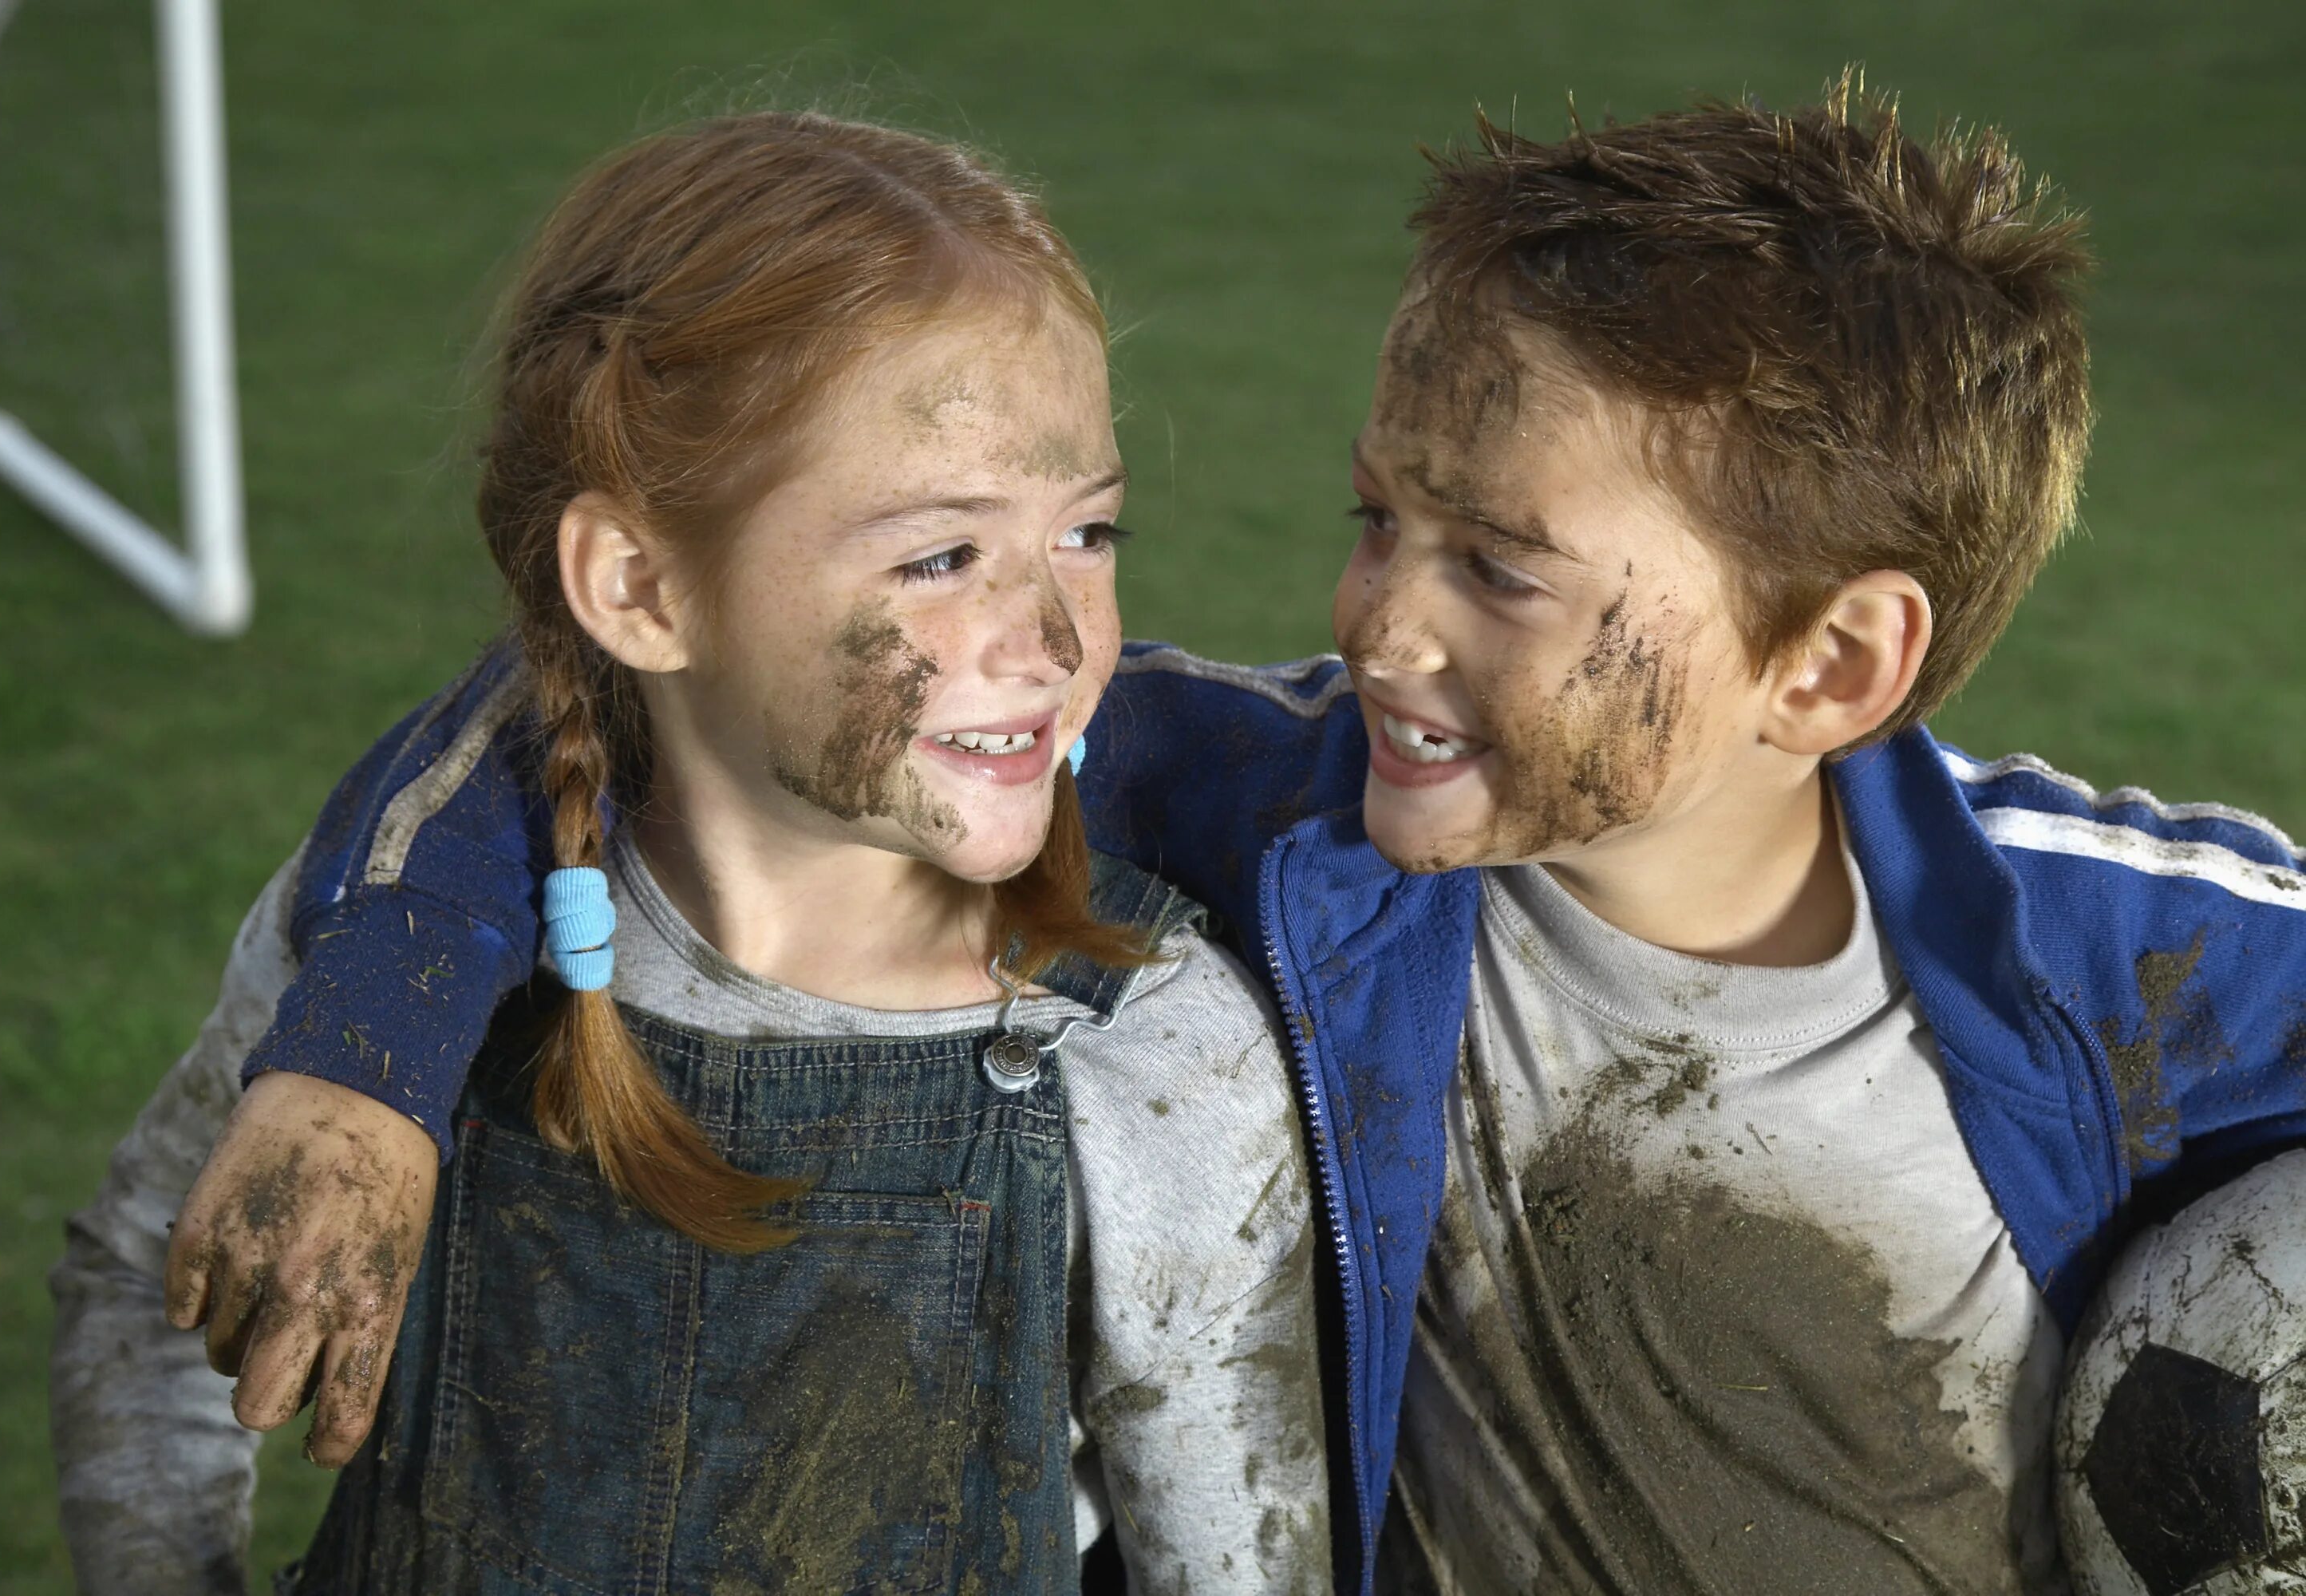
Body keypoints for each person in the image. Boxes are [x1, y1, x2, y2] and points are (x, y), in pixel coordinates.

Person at [131, 77, 2306, 1594]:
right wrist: (372, 1041)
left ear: (1829, 671)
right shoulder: (1267, 806)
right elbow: (636, 702)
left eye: (1502, 568)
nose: (1379, 621)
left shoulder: (2118, 956)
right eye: (1382, 518)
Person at [48, 113, 1331, 1595]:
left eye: (1089, 533)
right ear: (642, 587)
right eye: (940, 555)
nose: (1056, 640)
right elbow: (150, 1283)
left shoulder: (1161, 1056)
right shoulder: (396, 970)